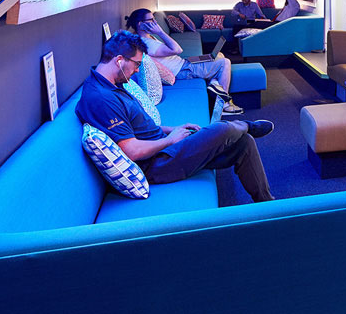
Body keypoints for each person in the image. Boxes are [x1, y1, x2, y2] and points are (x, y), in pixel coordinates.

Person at [76, 31, 275, 202]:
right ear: (119, 60)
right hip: (158, 164)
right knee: (222, 128)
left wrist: (172, 129)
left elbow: (137, 128)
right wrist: (170, 139)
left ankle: (267, 204)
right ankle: (248, 125)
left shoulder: (111, 84)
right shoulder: (101, 99)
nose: (137, 70)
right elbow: (132, 151)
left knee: (244, 143)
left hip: (165, 148)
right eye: (136, 64)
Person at [126, 8, 244, 115]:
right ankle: (224, 105)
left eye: (154, 19)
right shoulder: (147, 44)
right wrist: (160, 32)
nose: (155, 23)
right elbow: (177, 50)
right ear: (140, 24)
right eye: (151, 20)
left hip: (184, 64)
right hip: (183, 71)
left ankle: (215, 84)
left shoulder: (146, 38)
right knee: (225, 62)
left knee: (219, 55)